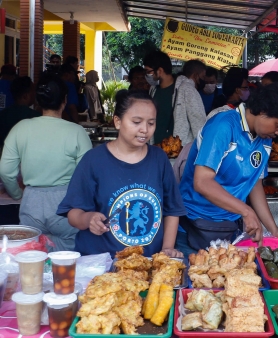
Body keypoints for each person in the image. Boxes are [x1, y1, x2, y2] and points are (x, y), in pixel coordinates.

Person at [177, 82, 278, 255]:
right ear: (263, 111)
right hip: (195, 225)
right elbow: (202, 182)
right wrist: (246, 211)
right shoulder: (223, 126)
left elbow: (254, 184)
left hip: (229, 227)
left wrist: (274, 229)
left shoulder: (264, 139)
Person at [57, 90, 186, 258]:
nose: (145, 130)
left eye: (151, 123)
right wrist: (89, 219)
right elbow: (73, 214)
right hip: (101, 264)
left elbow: (172, 209)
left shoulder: (159, 158)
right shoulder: (94, 160)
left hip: (146, 263)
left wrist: (167, 248)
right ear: (117, 121)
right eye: (137, 122)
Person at [0, 74, 92, 251]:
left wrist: (18, 194)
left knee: (32, 254)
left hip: (31, 201)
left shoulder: (20, 128)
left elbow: (5, 170)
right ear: (64, 101)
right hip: (66, 204)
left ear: (38, 100)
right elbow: (87, 176)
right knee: (66, 257)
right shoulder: (76, 131)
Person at [144, 50, 179, 144]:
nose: (147, 76)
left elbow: (198, 124)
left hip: (177, 154)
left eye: (148, 72)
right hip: (154, 150)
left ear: (159, 71)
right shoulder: (153, 90)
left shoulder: (185, 90)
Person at [0, 76, 40, 147]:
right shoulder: (36, 116)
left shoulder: (3, 115)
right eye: (33, 91)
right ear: (25, 96)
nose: (35, 94)